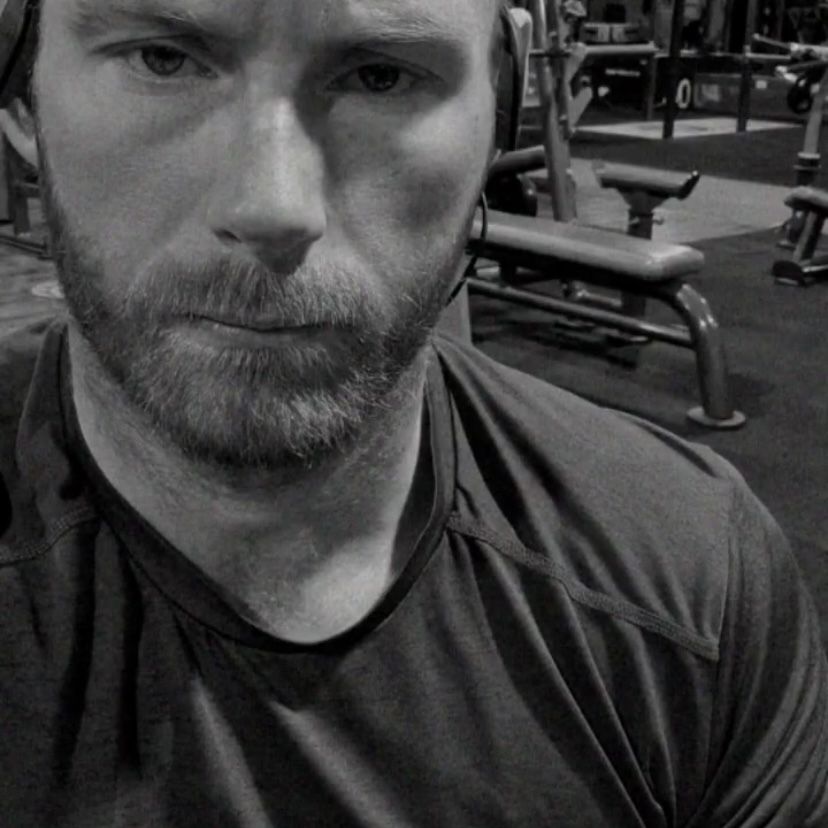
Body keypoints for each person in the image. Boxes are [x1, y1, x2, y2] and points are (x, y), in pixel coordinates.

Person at [0, 0, 826, 825]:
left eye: (380, 76)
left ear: (499, 104)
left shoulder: (695, 586)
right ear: (21, 95)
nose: (273, 208)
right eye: (162, 60)